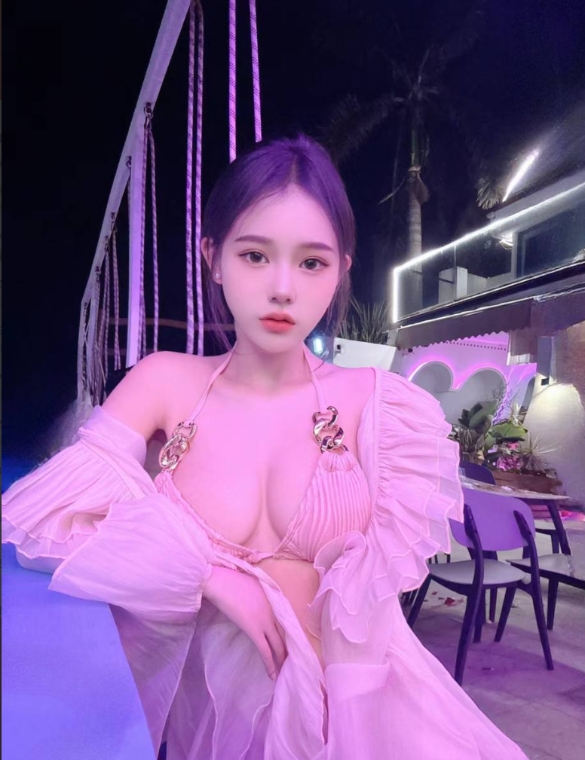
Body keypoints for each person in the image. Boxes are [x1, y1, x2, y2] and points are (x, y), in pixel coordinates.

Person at [2, 135, 529, 759]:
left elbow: (374, 623)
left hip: (363, 725)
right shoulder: (165, 383)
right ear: (213, 257)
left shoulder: (379, 405)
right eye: (255, 255)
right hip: (214, 735)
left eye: (312, 263)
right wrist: (207, 575)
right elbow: (40, 521)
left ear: (341, 271)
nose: (282, 288)